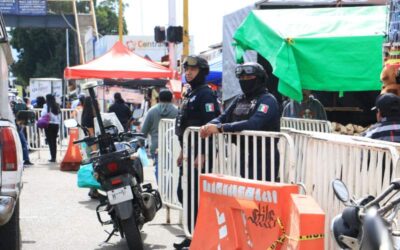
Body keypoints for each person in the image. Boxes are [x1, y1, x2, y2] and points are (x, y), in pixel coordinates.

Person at [200, 62, 280, 180]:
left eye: (249, 77)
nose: (244, 80)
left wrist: (220, 128)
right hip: (244, 153)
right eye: (241, 78)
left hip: (264, 156)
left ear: (259, 79)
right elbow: (224, 116)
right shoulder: (240, 99)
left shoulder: (267, 100)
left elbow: (253, 124)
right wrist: (209, 125)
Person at [174, 55, 220, 249]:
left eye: (193, 69)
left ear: (202, 71)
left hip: (200, 154)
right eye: (186, 69)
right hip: (189, 151)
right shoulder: (190, 93)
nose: (188, 72)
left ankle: (197, 238)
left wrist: (205, 153)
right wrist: (182, 151)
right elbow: (185, 124)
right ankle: (191, 233)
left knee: (195, 196)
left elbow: (210, 126)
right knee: (183, 193)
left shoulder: (206, 95)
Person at [141, 89, 178, 182]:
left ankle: (161, 190)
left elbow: (143, 131)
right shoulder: (177, 111)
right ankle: (170, 188)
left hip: (156, 145)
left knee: (159, 165)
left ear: (159, 98)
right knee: (173, 168)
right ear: (172, 98)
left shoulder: (152, 111)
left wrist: (140, 145)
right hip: (174, 145)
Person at [41, 94, 61, 162]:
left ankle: (52, 157)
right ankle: (54, 157)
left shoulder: (46, 106)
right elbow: (59, 115)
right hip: (56, 125)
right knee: (54, 141)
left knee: (50, 141)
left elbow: (43, 114)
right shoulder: (57, 105)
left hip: (48, 124)